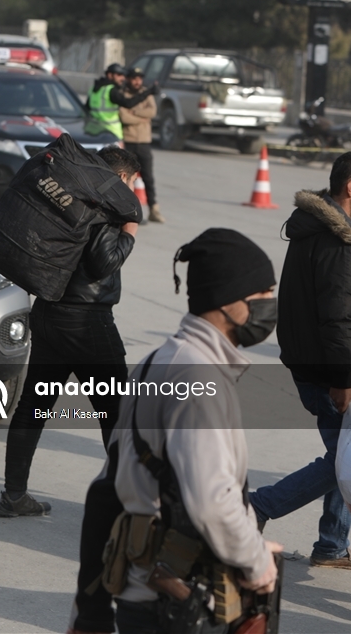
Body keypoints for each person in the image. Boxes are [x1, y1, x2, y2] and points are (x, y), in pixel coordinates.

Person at [110, 228, 284, 633]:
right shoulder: (197, 375)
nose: (270, 306)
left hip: (153, 591)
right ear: (228, 301)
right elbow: (212, 500)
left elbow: (112, 478)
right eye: (263, 295)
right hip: (180, 603)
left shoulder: (164, 358)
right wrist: (257, 562)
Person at [248, 152, 351, 572]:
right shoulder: (337, 245)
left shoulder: (316, 230)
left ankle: (331, 545)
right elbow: (339, 320)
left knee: (349, 454)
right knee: (346, 464)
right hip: (332, 373)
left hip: (322, 367)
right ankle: (258, 507)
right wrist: (344, 379)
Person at [0, 147, 140, 518]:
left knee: (33, 407)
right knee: (117, 413)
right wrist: (129, 230)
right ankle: (125, 505)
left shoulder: (72, 194)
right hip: (86, 321)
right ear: (122, 178)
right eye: (133, 182)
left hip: (48, 312)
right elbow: (103, 261)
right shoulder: (107, 204)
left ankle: (14, 495)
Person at [119, 67, 163, 224]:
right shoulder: (123, 94)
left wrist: (134, 112)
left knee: (149, 178)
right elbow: (124, 117)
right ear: (128, 79)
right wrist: (141, 116)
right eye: (134, 78)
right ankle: (128, 211)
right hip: (129, 140)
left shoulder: (146, 94)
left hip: (144, 141)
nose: (137, 81)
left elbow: (152, 112)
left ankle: (154, 209)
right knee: (127, 178)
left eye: (140, 78)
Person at [83, 64, 157, 141]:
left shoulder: (94, 89)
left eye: (123, 75)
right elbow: (128, 103)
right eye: (119, 75)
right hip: (111, 132)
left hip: (93, 131)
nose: (122, 78)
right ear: (110, 75)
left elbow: (86, 110)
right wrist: (148, 92)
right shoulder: (111, 90)